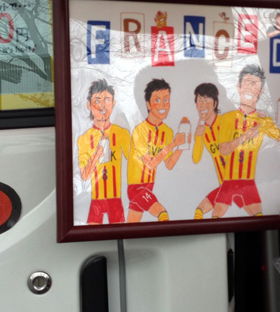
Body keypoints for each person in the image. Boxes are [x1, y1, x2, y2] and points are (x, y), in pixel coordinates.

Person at [213, 65, 280, 218]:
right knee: (216, 218)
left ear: (261, 91)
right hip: (229, 181)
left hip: (249, 182)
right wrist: (245, 136)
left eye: (254, 84)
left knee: (259, 220)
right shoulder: (228, 118)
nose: (249, 87)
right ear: (239, 87)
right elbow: (223, 150)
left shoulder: (263, 120)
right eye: (246, 82)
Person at [127, 78, 190, 222]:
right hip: (136, 187)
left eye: (166, 100)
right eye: (157, 100)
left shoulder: (167, 131)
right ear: (148, 104)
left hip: (149, 187)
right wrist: (173, 144)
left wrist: (181, 146)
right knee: (162, 214)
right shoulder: (139, 131)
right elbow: (150, 164)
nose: (162, 105)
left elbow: (169, 164)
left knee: (131, 225)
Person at [77, 78, 131, 224]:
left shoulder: (121, 133)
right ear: (89, 105)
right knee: (91, 234)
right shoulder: (84, 138)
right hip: (96, 201)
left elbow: (135, 161)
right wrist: (96, 156)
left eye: (107, 100)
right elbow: (85, 175)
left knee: (121, 234)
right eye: (97, 100)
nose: (102, 105)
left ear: (113, 103)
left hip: (115, 199)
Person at [191, 83, 225, 219]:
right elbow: (196, 159)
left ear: (215, 103)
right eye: (199, 101)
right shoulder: (202, 131)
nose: (202, 105)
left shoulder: (225, 122)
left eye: (206, 101)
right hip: (224, 186)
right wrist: (198, 136)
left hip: (236, 182)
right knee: (199, 212)